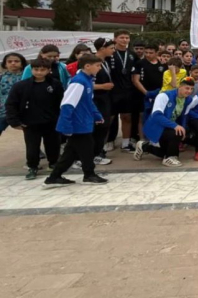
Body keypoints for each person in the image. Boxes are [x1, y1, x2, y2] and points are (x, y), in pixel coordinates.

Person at [44, 54, 108, 187]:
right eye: (98, 65)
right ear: (87, 66)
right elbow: (67, 104)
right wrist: (66, 125)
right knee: (87, 148)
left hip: (84, 121)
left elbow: (88, 102)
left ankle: (54, 177)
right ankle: (89, 174)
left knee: (71, 151)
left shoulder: (87, 80)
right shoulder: (78, 82)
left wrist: (96, 115)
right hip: (78, 123)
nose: (100, 68)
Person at [6, 58, 64, 180]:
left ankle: (53, 163)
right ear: (31, 70)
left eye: (42, 70)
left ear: (48, 70)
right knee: (32, 147)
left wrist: (61, 118)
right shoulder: (21, 86)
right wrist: (14, 121)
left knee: (53, 144)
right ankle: (32, 166)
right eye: (36, 69)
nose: (39, 72)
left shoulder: (55, 84)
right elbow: (11, 104)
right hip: (30, 122)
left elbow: (61, 102)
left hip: (51, 121)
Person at [135, 77, 198, 168]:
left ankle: (144, 146)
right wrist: (175, 126)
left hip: (169, 127)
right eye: (187, 88)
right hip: (157, 127)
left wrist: (183, 127)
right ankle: (169, 158)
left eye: (191, 89)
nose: (189, 91)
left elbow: (184, 115)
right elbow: (157, 115)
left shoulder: (187, 99)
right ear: (179, 86)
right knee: (177, 132)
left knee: (164, 151)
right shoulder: (163, 96)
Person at [107, 29, 137, 153]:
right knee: (110, 118)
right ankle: (107, 142)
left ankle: (125, 144)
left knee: (127, 117)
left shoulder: (132, 54)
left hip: (128, 91)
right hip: (112, 91)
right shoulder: (110, 53)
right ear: (115, 39)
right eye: (122, 37)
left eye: (127, 38)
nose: (124, 40)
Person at [132, 44, 166, 139]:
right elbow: (135, 80)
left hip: (159, 94)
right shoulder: (140, 63)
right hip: (143, 94)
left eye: (151, 53)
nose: (148, 55)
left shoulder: (162, 64)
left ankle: (155, 139)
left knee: (157, 115)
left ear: (157, 53)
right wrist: (146, 93)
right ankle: (142, 140)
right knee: (142, 116)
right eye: (146, 52)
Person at [91, 38, 115, 166]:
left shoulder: (105, 61)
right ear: (102, 48)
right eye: (111, 48)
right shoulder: (91, 62)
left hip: (105, 98)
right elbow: (84, 83)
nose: (113, 51)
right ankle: (94, 154)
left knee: (104, 126)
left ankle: (98, 151)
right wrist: (102, 86)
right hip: (95, 99)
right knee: (98, 126)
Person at [0, 52, 27, 136]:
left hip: (23, 110)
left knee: (31, 135)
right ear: (5, 64)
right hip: (3, 111)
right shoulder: (1, 77)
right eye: (10, 61)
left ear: (22, 64)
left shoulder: (27, 77)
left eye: (16, 61)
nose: (13, 63)